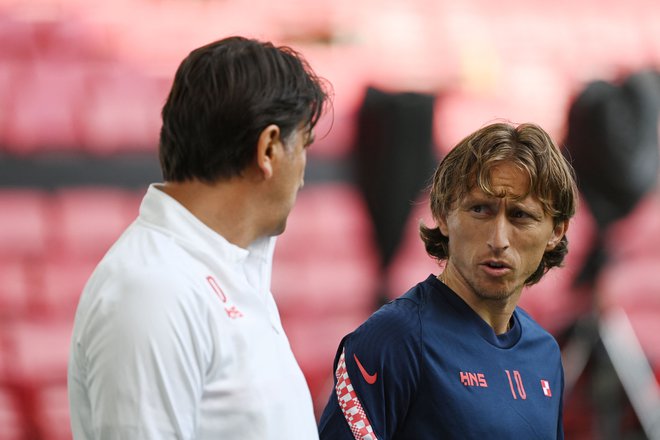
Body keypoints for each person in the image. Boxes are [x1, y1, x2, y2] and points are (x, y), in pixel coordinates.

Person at [68, 36, 329, 439]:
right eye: (304, 146)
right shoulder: (152, 290)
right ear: (269, 149)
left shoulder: (223, 265)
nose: (304, 173)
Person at [319, 122, 578, 439]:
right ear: (442, 214)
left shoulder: (546, 355)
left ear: (556, 231)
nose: (498, 239)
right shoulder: (392, 341)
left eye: (520, 215)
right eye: (481, 209)